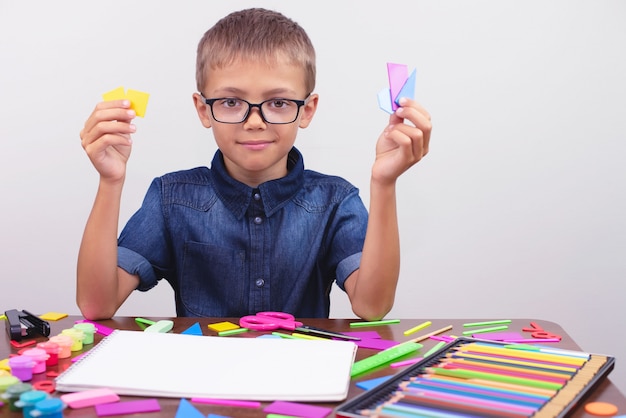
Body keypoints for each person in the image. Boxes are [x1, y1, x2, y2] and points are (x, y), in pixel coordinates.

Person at [77, 7, 431, 321]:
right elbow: (97, 305)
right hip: (203, 386)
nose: (254, 121)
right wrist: (110, 181)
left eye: (278, 103)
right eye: (231, 101)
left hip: (300, 384)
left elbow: (373, 306)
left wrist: (384, 184)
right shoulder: (172, 198)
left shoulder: (334, 201)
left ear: (306, 110)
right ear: (204, 109)